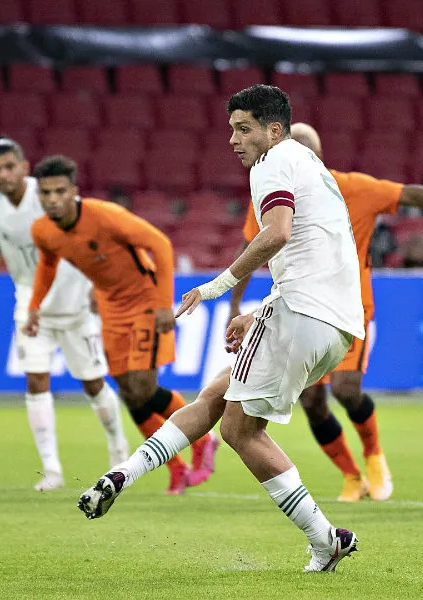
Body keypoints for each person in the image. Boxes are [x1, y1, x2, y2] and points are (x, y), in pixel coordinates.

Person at [78, 85, 365, 572]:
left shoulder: (272, 161)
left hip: (304, 311)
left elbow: (277, 235)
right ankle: (122, 475)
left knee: (239, 429)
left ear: (273, 130)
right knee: (215, 398)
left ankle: (325, 540)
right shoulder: (309, 163)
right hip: (334, 322)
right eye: (230, 128)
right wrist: (262, 310)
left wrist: (217, 287)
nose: (232, 139)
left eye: (243, 128)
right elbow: (312, 252)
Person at [230, 122, 423, 502]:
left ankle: (374, 456)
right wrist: (234, 302)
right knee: (313, 401)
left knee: (347, 391)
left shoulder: (352, 188)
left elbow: (409, 193)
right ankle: (351, 476)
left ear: (315, 155)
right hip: (298, 309)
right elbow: (252, 248)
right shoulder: (269, 192)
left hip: (350, 309)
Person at [23, 155, 219, 495]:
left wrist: (162, 305)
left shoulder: (104, 216)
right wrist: (35, 306)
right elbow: (48, 264)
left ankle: (203, 439)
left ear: (73, 191)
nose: (52, 199)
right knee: (129, 394)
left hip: (144, 300)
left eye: (59, 191)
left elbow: (160, 243)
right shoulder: (43, 230)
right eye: (45, 193)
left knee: (143, 386)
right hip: (110, 307)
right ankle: (175, 467)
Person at [0, 138, 128, 491]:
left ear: (24, 167)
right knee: (35, 381)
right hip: (29, 304)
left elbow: (92, 238)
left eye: (10, 166)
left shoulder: (47, 196)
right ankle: (52, 470)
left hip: (73, 302)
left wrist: (95, 286)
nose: (3, 174)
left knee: (93, 383)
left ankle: (118, 450)